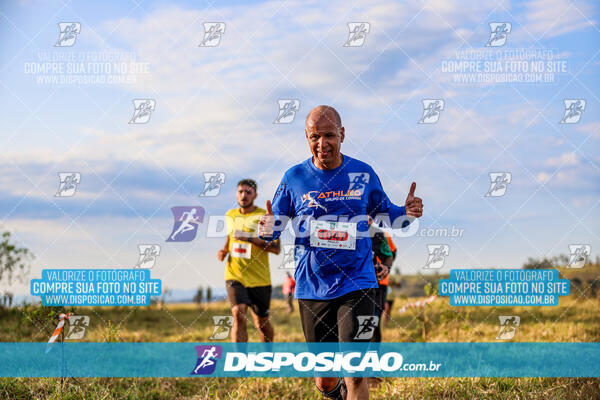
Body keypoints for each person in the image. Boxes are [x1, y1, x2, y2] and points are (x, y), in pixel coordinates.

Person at [258, 106, 423, 400]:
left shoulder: (362, 173)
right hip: (313, 287)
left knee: (355, 371)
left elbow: (388, 216)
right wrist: (266, 228)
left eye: (329, 135)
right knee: (325, 380)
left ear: (342, 134)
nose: (323, 144)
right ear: (306, 138)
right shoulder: (294, 178)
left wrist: (407, 213)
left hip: (358, 283)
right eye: (315, 136)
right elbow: (274, 228)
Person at [217, 179, 281, 342]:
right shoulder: (230, 215)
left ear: (255, 195)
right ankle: (240, 364)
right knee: (238, 314)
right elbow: (230, 237)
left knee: (261, 323)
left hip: (260, 278)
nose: (244, 195)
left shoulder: (263, 215)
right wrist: (224, 250)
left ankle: (267, 356)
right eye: (241, 192)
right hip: (235, 275)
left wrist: (250, 239)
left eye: (248, 192)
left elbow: (275, 248)